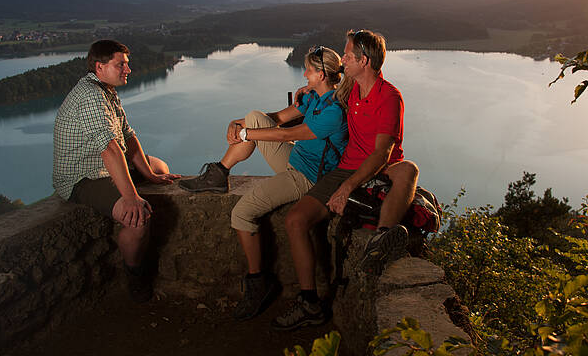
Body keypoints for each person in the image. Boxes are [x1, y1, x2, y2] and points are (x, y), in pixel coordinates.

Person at [178, 46, 349, 321]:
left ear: (321, 74)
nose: (304, 73)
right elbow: (278, 119)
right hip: (296, 158)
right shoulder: (312, 97)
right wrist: (239, 123)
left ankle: (258, 281)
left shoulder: (333, 111)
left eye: (308, 70)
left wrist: (245, 132)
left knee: (242, 214)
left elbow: (287, 134)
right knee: (256, 115)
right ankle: (220, 173)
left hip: (308, 178)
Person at [272, 29, 419, 332]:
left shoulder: (389, 96)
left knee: (409, 169)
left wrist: (348, 187)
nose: (343, 61)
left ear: (364, 61)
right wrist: (306, 90)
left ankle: (382, 239)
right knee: (295, 221)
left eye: (348, 56)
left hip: (380, 168)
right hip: (346, 166)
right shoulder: (350, 87)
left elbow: (381, 154)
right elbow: (325, 93)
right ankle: (309, 302)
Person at [52, 39, 180, 303]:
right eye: (120, 64)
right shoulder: (90, 95)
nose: (128, 69)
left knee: (160, 167)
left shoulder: (106, 90)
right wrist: (131, 197)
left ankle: (143, 180)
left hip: (104, 166)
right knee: (138, 218)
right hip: (83, 177)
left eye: (127, 64)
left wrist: (151, 176)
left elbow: (128, 137)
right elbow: (110, 149)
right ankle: (135, 275)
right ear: (99, 66)